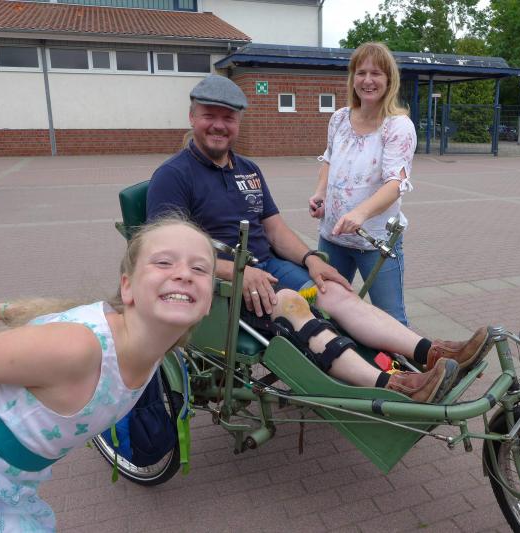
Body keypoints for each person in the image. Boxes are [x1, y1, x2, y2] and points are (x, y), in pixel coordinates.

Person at [146, 74, 490, 403]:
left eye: (228, 118)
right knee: (292, 305)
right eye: (209, 116)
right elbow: (165, 254)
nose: (219, 126)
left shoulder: (248, 169)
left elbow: (275, 229)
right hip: (224, 288)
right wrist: (234, 271)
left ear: (238, 122)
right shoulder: (173, 176)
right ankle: (394, 385)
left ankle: (431, 352)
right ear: (192, 117)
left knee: (336, 291)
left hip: (267, 269)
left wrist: (311, 260)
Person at [0, 216, 215, 531]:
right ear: (128, 287)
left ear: (209, 299)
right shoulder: (76, 348)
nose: (183, 274)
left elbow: (65, 311)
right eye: (164, 262)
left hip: (3, 485)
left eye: (199, 268)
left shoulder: (154, 350)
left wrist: (10, 311)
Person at [309, 42, 416, 326]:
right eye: (361, 72)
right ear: (352, 78)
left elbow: (396, 183)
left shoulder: (398, 126)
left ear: (389, 80)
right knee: (326, 311)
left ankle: (411, 358)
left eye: (376, 73)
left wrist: (359, 214)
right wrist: (320, 194)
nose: (368, 80)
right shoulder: (339, 118)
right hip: (333, 237)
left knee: (391, 319)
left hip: (375, 241)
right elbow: (329, 159)